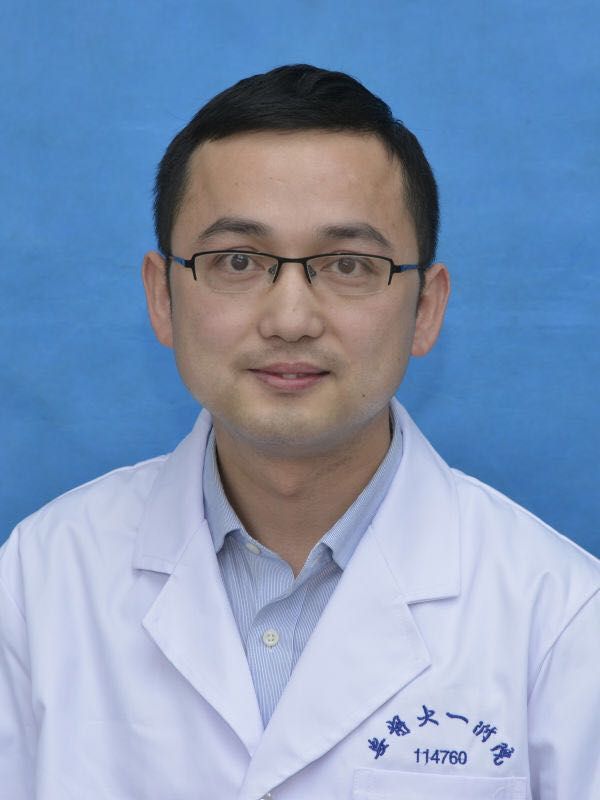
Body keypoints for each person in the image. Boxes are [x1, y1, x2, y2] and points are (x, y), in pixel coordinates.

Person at [1, 64, 598, 800]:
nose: (290, 319)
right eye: (238, 261)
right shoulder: (38, 581)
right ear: (161, 297)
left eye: (348, 264)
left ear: (425, 309)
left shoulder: (561, 616)